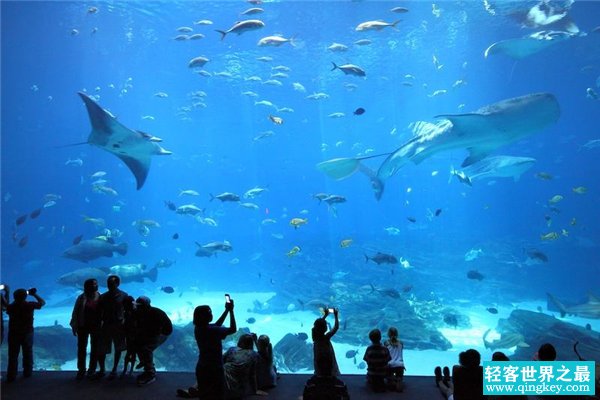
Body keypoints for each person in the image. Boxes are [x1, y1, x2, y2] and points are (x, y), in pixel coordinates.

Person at [193, 297, 237, 399]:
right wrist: (231, 311)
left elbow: (217, 325)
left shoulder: (199, 328)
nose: (211, 314)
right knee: (217, 394)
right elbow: (233, 329)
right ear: (205, 316)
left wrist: (226, 310)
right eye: (210, 312)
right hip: (214, 368)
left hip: (202, 366)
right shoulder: (212, 330)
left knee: (204, 394)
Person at [6, 287, 45, 382]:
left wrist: (6, 293)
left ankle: (11, 375)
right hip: (27, 333)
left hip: (14, 333)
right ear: (25, 297)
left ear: (14, 297)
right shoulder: (29, 305)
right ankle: (27, 372)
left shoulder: (11, 307)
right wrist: (34, 294)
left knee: (13, 354)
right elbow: (42, 303)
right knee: (28, 352)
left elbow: (5, 306)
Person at [93, 275, 128, 380]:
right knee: (102, 349)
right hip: (106, 325)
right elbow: (98, 313)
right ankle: (102, 369)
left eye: (111, 284)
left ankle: (114, 369)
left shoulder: (124, 295)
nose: (109, 286)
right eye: (108, 284)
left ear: (117, 284)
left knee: (118, 348)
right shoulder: (103, 297)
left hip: (119, 325)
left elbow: (128, 311)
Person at [133, 295, 173, 386]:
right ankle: (145, 362)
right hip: (150, 333)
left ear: (145, 306)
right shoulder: (139, 312)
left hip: (163, 333)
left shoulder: (156, 314)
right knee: (139, 345)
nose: (137, 307)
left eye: (139, 305)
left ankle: (150, 373)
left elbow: (156, 331)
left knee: (146, 348)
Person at [70, 278, 101, 380]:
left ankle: (92, 370)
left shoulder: (100, 296)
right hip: (82, 326)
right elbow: (75, 313)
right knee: (81, 349)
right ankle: (81, 370)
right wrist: (74, 326)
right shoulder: (81, 298)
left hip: (96, 327)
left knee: (95, 349)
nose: (96, 286)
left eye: (96, 284)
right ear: (87, 286)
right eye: (94, 284)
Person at [222, 333, 267, 398]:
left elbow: (220, 361)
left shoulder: (232, 349)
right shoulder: (253, 355)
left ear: (242, 343)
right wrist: (255, 390)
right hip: (236, 386)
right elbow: (253, 374)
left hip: (221, 375)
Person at [311, 307, 340, 377]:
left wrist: (325, 315)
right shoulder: (326, 337)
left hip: (318, 357)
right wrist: (336, 316)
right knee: (329, 371)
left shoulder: (314, 336)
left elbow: (318, 326)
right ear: (326, 328)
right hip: (327, 358)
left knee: (319, 369)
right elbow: (336, 327)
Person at [363, 328, 391, 392]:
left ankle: (371, 379)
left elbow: (366, 359)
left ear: (370, 339)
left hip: (371, 372)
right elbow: (388, 359)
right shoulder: (385, 349)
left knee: (372, 375)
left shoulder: (369, 349)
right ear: (380, 337)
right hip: (383, 372)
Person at [384, 326, 405, 392]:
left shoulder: (386, 343)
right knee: (399, 376)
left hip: (390, 364)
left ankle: (391, 380)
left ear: (388, 334)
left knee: (389, 377)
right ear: (397, 334)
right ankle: (398, 380)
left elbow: (386, 354)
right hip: (400, 365)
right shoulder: (401, 343)